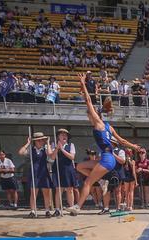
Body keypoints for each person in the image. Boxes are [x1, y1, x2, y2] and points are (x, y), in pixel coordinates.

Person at [69, 75, 139, 215]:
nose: (89, 116)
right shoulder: (108, 126)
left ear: (95, 115)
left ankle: (77, 206)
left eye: (90, 114)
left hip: (107, 158)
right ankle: (101, 181)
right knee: (80, 166)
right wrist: (134, 146)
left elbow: (88, 100)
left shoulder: (98, 123)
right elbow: (122, 141)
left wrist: (83, 84)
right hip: (105, 158)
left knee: (88, 182)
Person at [18, 132, 54, 218]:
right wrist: (28, 143)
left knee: (46, 193)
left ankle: (47, 211)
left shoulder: (45, 148)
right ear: (35, 141)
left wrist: (48, 143)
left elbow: (50, 154)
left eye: (42, 140)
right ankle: (33, 211)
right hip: (34, 172)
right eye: (38, 140)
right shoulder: (31, 149)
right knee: (33, 193)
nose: (41, 142)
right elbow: (20, 152)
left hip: (44, 172)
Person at [49, 128, 77, 216]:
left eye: (66, 135)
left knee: (70, 190)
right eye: (62, 134)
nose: (64, 136)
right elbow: (52, 158)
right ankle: (57, 209)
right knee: (58, 190)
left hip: (68, 169)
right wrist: (57, 148)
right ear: (58, 137)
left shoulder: (71, 145)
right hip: (58, 169)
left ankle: (72, 208)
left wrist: (63, 149)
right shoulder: (54, 145)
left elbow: (72, 157)